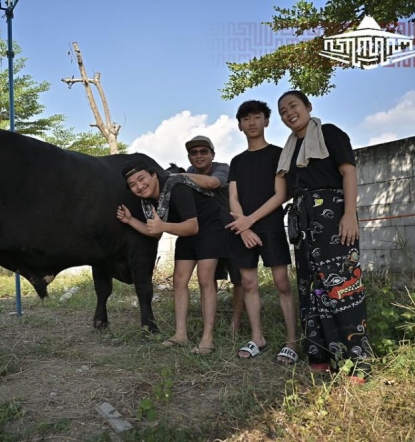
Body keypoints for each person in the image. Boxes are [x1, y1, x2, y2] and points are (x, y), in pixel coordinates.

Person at [276, 90, 371, 382]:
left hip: (334, 217)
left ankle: (358, 361)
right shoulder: (290, 150)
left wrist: (350, 214)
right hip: (304, 223)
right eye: (282, 111)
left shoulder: (329, 133)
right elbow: (285, 192)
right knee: (311, 288)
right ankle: (320, 354)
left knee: (343, 286)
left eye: (293, 106)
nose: (289, 113)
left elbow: (348, 172)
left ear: (308, 106)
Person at [117, 159, 228, 354]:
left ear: (153, 175)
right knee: (179, 280)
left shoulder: (176, 187)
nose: (139, 186)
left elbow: (192, 225)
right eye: (132, 185)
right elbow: (155, 231)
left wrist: (164, 226)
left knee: (205, 279)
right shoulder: (148, 200)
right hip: (186, 232)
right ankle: (180, 335)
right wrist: (130, 220)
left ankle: (207, 339)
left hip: (209, 228)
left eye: (141, 179)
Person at [226, 100, 298, 363]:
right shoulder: (237, 161)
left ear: (266, 121)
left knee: (282, 283)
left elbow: (280, 194)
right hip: (242, 229)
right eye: (246, 119)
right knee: (248, 283)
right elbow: (233, 197)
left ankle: (291, 341)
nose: (252, 122)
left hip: (270, 227)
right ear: (240, 125)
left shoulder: (279, 155)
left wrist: (249, 221)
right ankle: (258, 337)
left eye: (257, 117)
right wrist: (243, 226)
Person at [179, 135, 245, 332]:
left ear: (212, 154)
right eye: (194, 153)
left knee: (238, 278)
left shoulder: (223, 168)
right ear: (189, 157)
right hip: (208, 232)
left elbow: (212, 183)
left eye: (203, 151)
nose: (199, 156)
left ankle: (236, 321)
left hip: (232, 228)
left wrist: (177, 176)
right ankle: (211, 321)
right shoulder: (190, 171)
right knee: (208, 279)